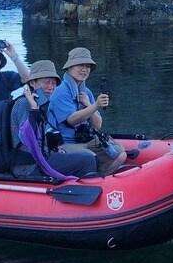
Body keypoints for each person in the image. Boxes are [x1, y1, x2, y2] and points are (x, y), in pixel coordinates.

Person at [9, 60, 98, 179]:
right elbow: (27, 138)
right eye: (46, 83)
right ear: (33, 83)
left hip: (46, 155)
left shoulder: (46, 104)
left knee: (88, 154)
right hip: (30, 165)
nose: (51, 87)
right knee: (87, 160)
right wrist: (34, 110)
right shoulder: (24, 104)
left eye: (53, 83)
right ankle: (87, 192)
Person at [47, 46, 126, 175]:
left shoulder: (86, 92)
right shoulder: (60, 92)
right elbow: (71, 120)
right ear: (69, 67)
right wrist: (95, 106)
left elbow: (97, 125)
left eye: (87, 66)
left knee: (119, 153)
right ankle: (93, 180)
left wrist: (89, 104)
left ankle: (101, 179)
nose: (84, 70)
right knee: (90, 158)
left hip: (86, 139)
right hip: (65, 144)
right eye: (80, 65)